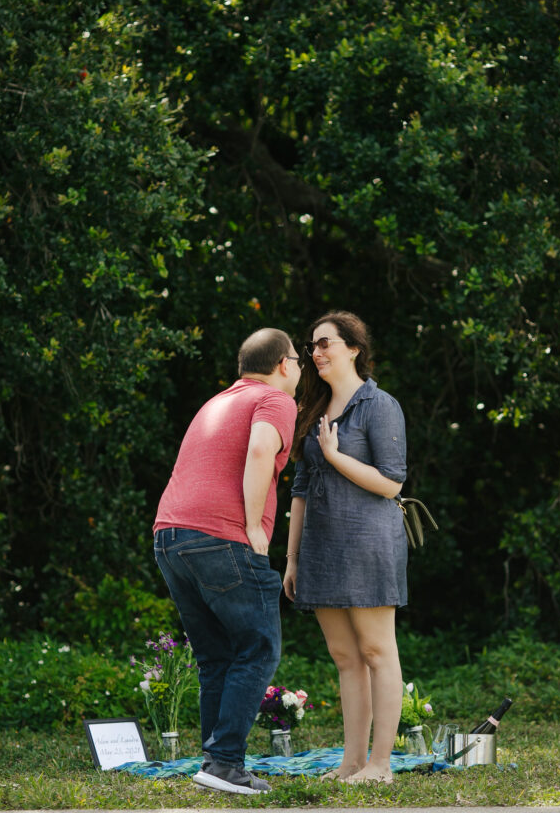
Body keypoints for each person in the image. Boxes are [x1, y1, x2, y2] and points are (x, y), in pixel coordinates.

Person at [153, 327, 301, 795]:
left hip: (169, 537)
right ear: (282, 364)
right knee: (258, 648)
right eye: (297, 359)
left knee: (216, 655)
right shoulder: (275, 400)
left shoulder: (217, 402)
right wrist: (255, 524)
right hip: (221, 539)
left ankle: (213, 763)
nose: (299, 368)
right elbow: (260, 449)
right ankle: (225, 764)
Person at [283, 311, 407, 784]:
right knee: (345, 658)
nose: (315, 352)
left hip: (369, 544)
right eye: (311, 345)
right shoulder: (312, 412)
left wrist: (335, 457)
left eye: (325, 343)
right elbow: (299, 487)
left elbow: (392, 484)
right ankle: (352, 762)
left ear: (354, 348)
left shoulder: (379, 406)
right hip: (320, 548)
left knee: (378, 652)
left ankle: (381, 765)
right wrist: (291, 559)